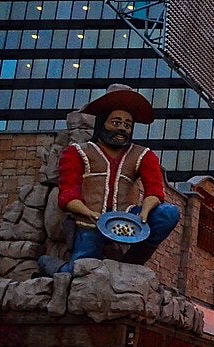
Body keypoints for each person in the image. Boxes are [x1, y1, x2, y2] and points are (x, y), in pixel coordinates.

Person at [54, 85, 180, 271]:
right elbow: (67, 194)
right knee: (79, 269)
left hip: (128, 219)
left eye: (127, 125)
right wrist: (89, 213)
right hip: (91, 222)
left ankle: (131, 264)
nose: (121, 129)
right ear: (103, 122)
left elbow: (155, 190)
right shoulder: (78, 152)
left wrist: (143, 214)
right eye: (116, 122)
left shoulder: (143, 155)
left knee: (169, 213)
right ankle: (56, 268)